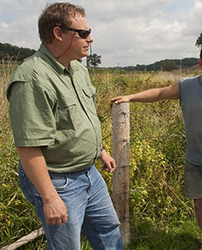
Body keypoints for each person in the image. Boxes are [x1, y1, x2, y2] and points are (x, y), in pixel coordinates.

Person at [111, 41, 202, 250]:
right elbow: (159, 93)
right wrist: (130, 97)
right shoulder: (186, 86)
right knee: (200, 202)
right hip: (194, 161)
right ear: (201, 64)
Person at [6, 3, 124, 250]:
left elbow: (81, 119)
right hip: (59, 180)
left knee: (109, 232)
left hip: (89, 173)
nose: (90, 38)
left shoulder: (78, 70)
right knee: (66, 246)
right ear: (58, 33)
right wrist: (50, 198)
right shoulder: (32, 78)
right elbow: (28, 147)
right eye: (82, 33)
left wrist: (99, 151)